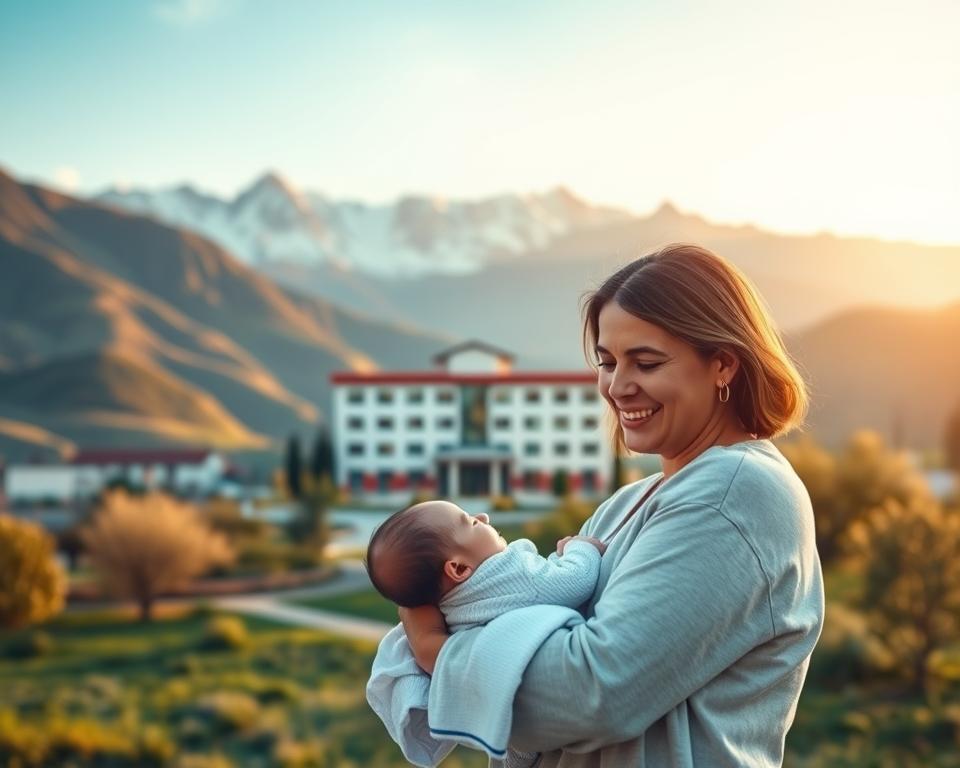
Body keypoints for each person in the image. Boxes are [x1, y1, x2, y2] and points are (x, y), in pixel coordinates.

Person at [401, 243, 826, 767]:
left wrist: (436, 655)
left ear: (723, 364)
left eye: (645, 363)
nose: (618, 387)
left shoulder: (733, 494)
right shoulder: (627, 503)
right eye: (606, 362)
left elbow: (591, 695)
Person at [365, 500, 606, 767]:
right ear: (458, 568)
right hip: (554, 705)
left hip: (511, 731)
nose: (484, 516)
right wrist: (581, 548)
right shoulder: (509, 575)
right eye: (471, 522)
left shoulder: (448, 610)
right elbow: (575, 581)